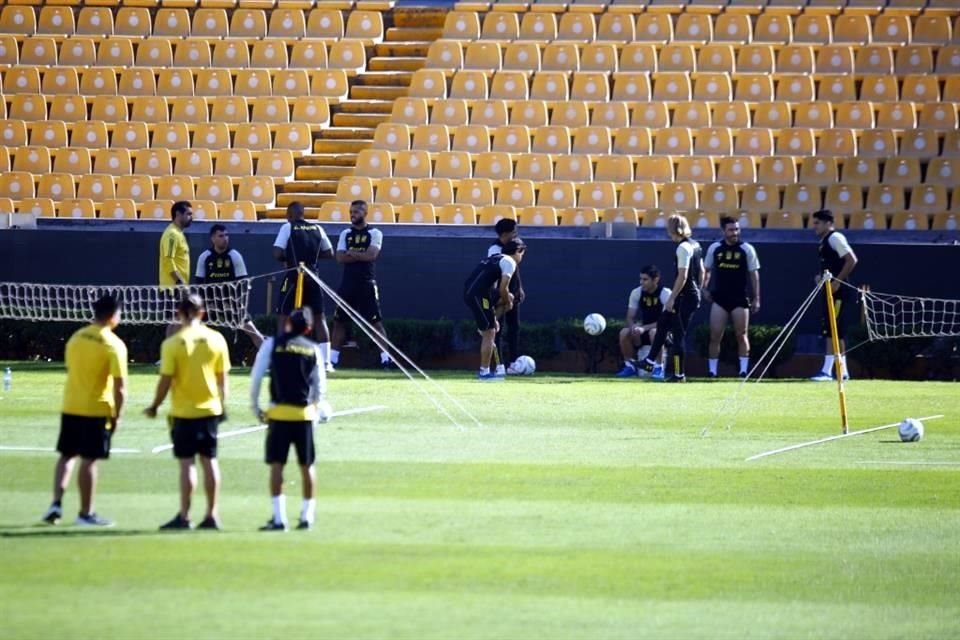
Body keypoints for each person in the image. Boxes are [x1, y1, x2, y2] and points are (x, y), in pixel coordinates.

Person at [145, 294, 231, 531]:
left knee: (187, 464)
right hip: (210, 410)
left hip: (183, 413)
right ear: (202, 313)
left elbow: (165, 380)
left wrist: (154, 405)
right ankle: (212, 515)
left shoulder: (173, 343)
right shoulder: (216, 339)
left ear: (178, 313)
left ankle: (184, 516)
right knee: (210, 462)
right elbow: (223, 379)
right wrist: (223, 405)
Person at [41, 295, 127, 527]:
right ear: (112, 316)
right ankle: (85, 513)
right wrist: (117, 415)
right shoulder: (113, 344)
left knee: (67, 455)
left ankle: (56, 504)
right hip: (96, 409)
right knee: (89, 460)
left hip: (71, 405)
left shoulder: (76, 337)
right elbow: (120, 388)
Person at [250, 308, 327, 532]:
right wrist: (316, 408)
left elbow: (256, 377)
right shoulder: (313, 349)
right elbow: (320, 388)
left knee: (277, 466)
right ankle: (307, 516)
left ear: (288, 324)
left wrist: (256, 408)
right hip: (303, 416)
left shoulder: (272, 344)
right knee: (307, 466)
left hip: (279, 414)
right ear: (309, 328)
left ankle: (278, 518)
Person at [330, 200, 393, 370]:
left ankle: (386, 360)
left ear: (365, 213)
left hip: (366, 284)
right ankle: (332, 360)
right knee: (339, 322)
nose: (352, 215)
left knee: (376, 323)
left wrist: (352, 252)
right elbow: (340, 257)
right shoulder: (345, 233)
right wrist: (360, 254)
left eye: (356, 212)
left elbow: (371, 255)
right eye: (351, 212)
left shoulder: (375, 233)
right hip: (347, 284)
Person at [640, 215, 704, 382]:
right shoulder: (696, 245)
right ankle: (649, 361)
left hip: (684, 297)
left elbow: (682, 277)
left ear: (674, 229)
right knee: (662, 323)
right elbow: (702, 271)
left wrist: (672, 298)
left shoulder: (682, 248)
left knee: (678, 335)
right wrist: (699, 289)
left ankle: (678, 374)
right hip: (689, 295)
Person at [273, 201, 335, 372]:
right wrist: (311, 260)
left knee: (283, 317)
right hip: (313, 277)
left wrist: (289, 260)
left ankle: (281, 359)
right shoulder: (318, 228)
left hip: (293, 276)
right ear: (303, 213)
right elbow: (330, 253)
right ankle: (326, 363)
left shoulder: (288, 227)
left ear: (289, 215)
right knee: (319, 318)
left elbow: (277, 252)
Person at [702, 217, 761, 379]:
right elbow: (707, 270)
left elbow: (754, 275)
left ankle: (743, 371)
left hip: (740, 299)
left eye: (737, 229)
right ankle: (712, 371)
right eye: (731, 230)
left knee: (742, 334)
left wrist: (756, 298)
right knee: (715, 336)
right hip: (719, 299)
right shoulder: (715, 248)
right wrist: (704, 288)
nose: (735, 233)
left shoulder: (747, 249)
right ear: (723, 231)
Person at [463, 239, 526, 380]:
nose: (521, 258)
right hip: (478, 295)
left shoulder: (495, 258)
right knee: (490, 332)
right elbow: (503, 288)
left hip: (474, 292)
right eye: (522, 254)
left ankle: (488, 323)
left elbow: (495, 289)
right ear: (518, 252)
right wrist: (508, 301)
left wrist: (501, 305)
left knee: (492, 325)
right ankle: (484, 372)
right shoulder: (510, 262)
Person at [195, 223, 264, 348]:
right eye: (221, 236)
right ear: (213, 238)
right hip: (210, 303)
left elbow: (242, 284)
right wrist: (207, 303)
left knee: (253, 332)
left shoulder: (235, 256)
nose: (225, 238)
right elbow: (199, 284)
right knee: (191, 331)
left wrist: (232, 303)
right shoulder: (204, 257)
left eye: (227, 235)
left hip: (230, 303)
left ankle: (270, 360)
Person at [810, 209, 859, 382]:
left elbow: (852, 259)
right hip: (830, 291)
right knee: (832, 330)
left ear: (828, 223)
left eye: (817, 223)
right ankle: (841, 371)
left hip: (839, 293)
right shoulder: (824, 241)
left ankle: (828, 371)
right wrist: (821, 278)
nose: (814, 226)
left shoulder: (835, 238)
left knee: (834, 330)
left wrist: (838, 281)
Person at [615, 265, 671, 378]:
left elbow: (666, 321)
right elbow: (630, 317)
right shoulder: (636, 293)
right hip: (644, 330)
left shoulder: (665, 293)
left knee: (654, 332)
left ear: (655, 280)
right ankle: (630, 366)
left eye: (645, 279)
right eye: (640, 279)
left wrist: (644, 328)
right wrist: (633, 328)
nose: (641, 282)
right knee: (624, 333)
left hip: (664, 332)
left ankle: (658, 368)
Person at [487, 218, 526, 375]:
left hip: (514, 293)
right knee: (498, 329)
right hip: (500, 294)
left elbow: (521, 250)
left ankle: (513, 363)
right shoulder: (494, 250)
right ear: (504, 234)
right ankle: (499, 365)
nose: (515, 235)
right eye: (512, 233)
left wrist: (517, 292)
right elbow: (495, 274)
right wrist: (501, 296)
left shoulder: (515, 244)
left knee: (514, 328)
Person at [159, 201, 193, 338]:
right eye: (188, 214)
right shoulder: (172, 234)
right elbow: (168, 260)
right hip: (172, 288)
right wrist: (180, 283)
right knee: (175, 321)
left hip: (177, 287)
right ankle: (168, 355)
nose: (191, 217)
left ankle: (169, 354)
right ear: (178, 214)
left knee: (178, 321)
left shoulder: (178, 233)